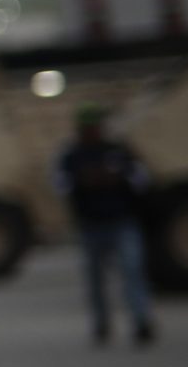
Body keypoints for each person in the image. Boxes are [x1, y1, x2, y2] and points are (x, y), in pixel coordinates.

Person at [56, 104, 156, 347]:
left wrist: (117, 178)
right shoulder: (72, 155)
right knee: (95, 280)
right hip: (91, 225)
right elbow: (59, 185)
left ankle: (141, 321)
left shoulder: (118, 151)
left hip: (122, 221)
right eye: (87, 128)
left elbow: (142, 179)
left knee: (132, 272)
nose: (92, 132)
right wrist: (83, 181)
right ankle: (101, 324)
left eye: (95, 127)